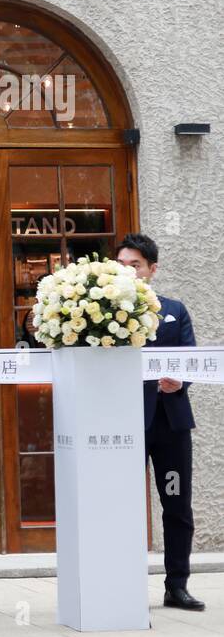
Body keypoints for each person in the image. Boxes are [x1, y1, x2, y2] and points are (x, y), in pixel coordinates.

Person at [117, 233, 205, 611]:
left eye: (135, 264)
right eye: (121, 265)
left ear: (152, 269)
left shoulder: (175, 310)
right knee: (121, 504)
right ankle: (123, 583)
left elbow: (191, 360)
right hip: (123, 424)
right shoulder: (102, 315)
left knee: (176, 504)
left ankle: (177, 584)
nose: (128, 271)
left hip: (170, 424)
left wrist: (179, 380)